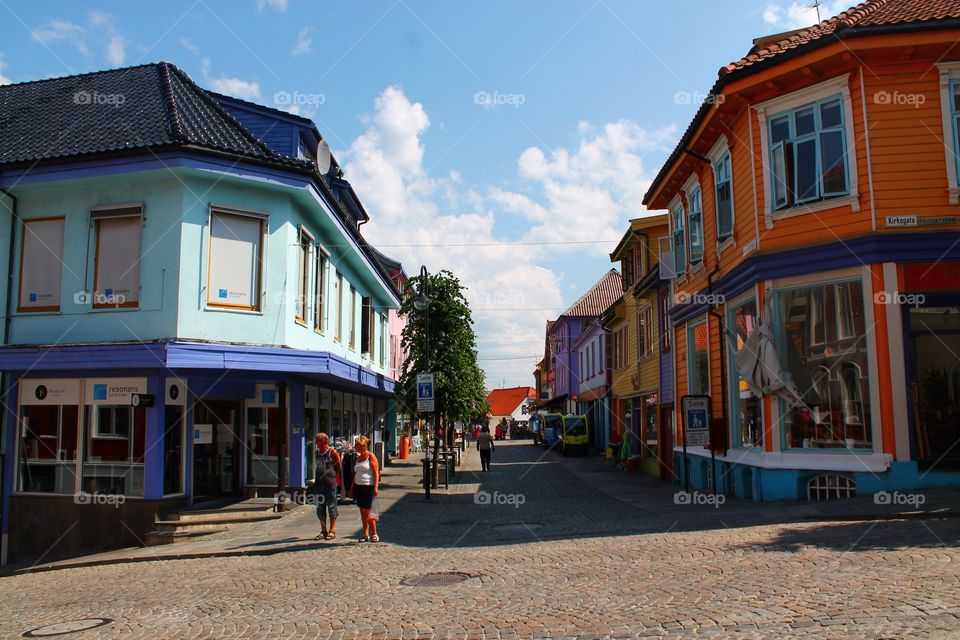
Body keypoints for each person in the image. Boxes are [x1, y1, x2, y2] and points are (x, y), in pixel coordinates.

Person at [310, 433, 341, 540]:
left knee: (332, 507)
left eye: (317, 441)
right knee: (320, 508)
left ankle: (332, 530)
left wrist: (332, 477)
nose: (315, 443)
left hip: (330, 485)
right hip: (319, 484)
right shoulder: (316, 453)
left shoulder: (332, 452)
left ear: (324, 441)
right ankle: (323, 530)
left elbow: (338, 467)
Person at [349, 436, 380, 542]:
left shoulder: (371, 456)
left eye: (357, 444)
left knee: (368, 512)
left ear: (363, 445)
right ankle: (365, 533)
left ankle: (374, 533)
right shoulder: (358, 458)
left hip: (368, 487)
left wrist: (376, 486)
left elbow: (376, 473)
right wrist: (352, 488)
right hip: (359, 486)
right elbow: (356, 474)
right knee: (362, 511)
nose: (355, 447)